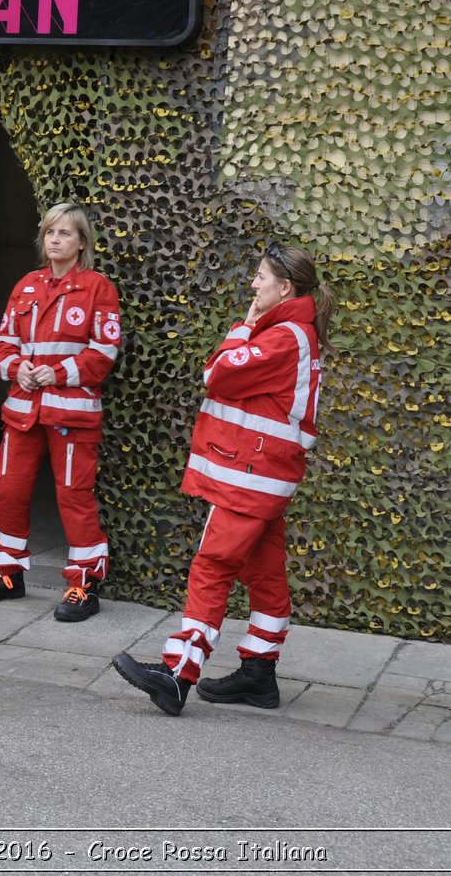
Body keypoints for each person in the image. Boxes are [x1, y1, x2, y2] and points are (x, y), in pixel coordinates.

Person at [113, 243, 334, 715]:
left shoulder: (280, 336)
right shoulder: (293, 332)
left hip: (250, 475)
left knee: (211, 565)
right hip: (266, 474)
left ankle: (178, 673)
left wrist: (244, 326)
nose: (254, 285)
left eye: (260, 277)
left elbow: (217, 373)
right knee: (265, 573)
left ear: (285, 288)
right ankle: (259, 673)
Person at [0, 202, 122, 622]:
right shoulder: (26, 286)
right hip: (23, 412)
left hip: (72, 416)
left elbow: (104, 353)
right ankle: (8, 574)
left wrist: (53, 374)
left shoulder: (98, 288)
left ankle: (85, 585)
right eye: (51, 232)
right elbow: (2, 345)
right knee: (10, 492)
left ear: (82, 242)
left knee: (74, 498)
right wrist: (19, 369)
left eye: (65, 233)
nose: (56, 240)